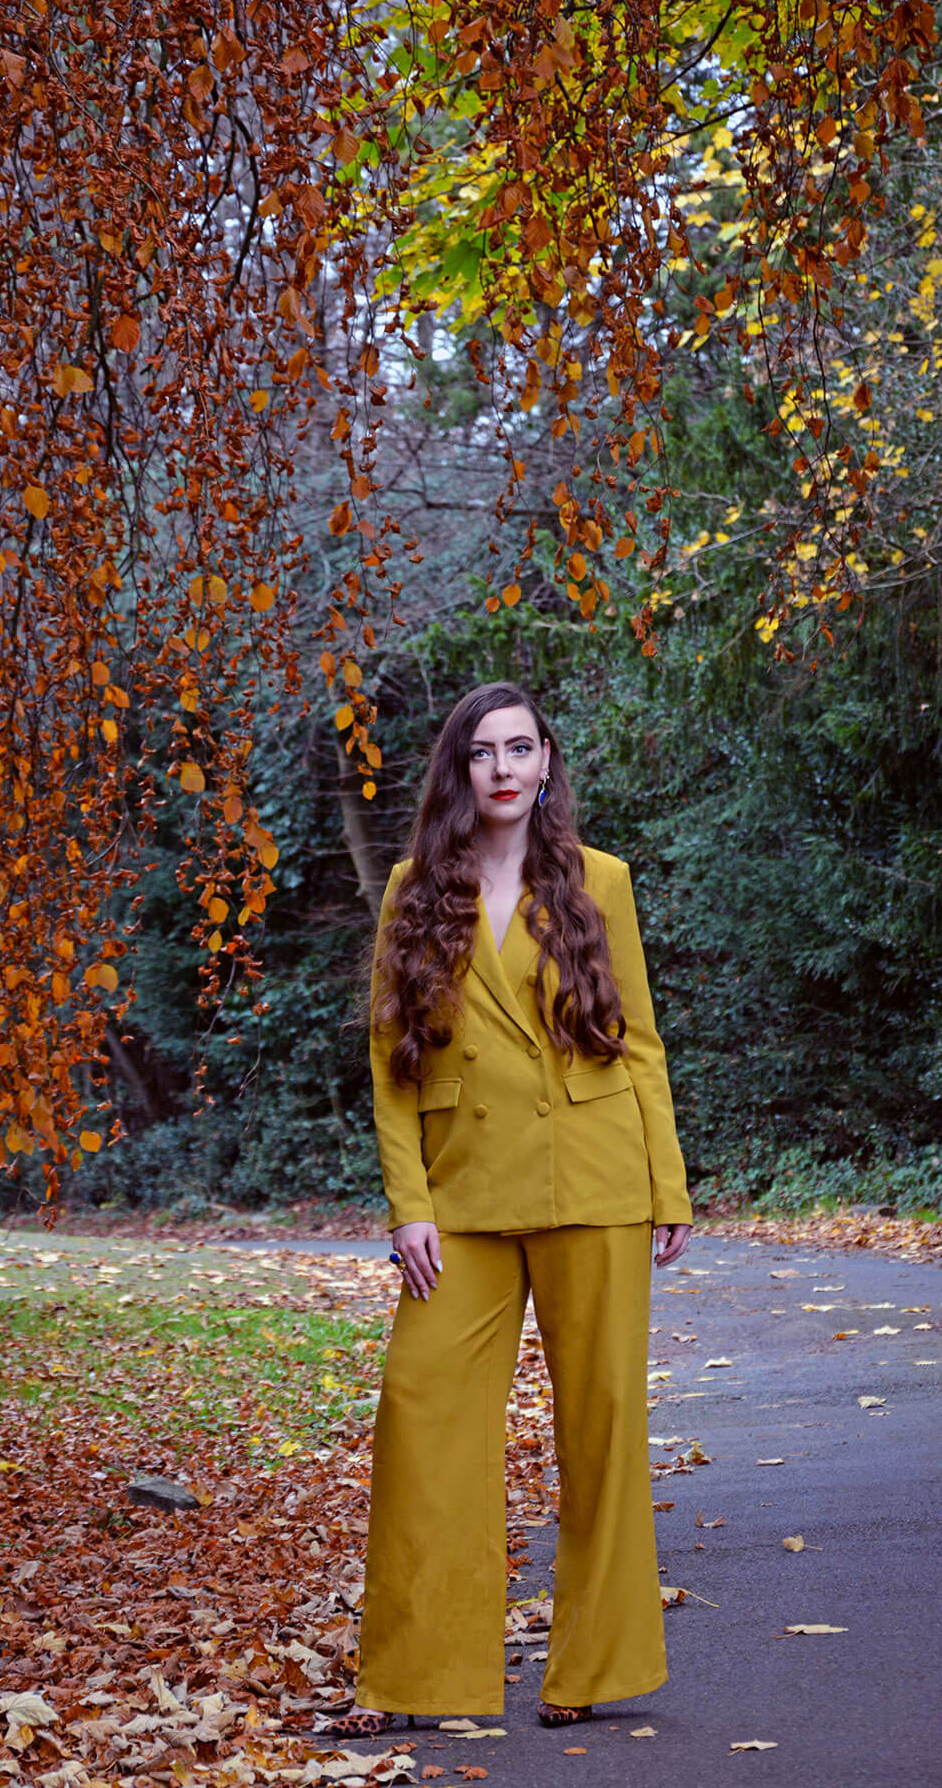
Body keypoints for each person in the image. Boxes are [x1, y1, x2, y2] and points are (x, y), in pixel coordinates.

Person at [327, 681, 692, 1739]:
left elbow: (640, 1039)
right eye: (483, 751)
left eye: (520, 748)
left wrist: (666, 1183)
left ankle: (592, 1666)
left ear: (544, 765)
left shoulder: (600, 881)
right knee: (423, 1419)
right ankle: (413, 1676)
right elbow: (389, 1063)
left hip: (595, 1176)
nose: (503, 768)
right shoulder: (414, 889)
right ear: (460, 769)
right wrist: (408, 1206)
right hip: (463, 1194)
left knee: (603, 1427)